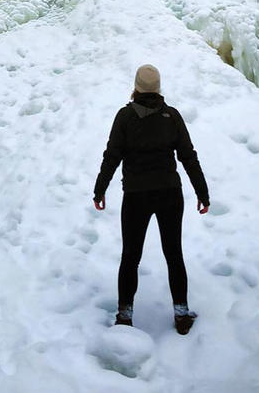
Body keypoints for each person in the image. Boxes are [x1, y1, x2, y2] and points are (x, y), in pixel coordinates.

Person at [93, 64, 210, 334]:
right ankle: (181, 314)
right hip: (169, 193)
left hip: (136, 195)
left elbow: (112, 155)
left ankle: (125, 315)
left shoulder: (124, 117)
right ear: (158, 88)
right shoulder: (172, 116)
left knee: (130, 256)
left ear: (136, 87)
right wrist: (202, 193)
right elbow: (188, 156)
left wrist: (100, 189)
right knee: (174, 254)